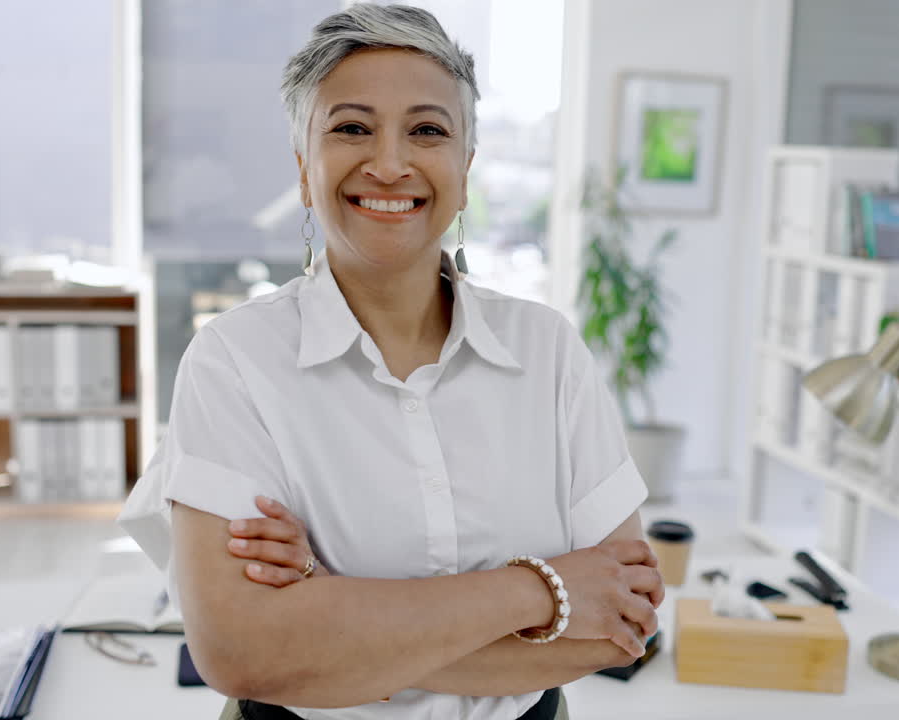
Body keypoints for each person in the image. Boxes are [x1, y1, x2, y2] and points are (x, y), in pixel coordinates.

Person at [118, 5, 664, 719]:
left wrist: (327, 617)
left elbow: (623, 625)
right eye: (350, 127)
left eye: (428, 130)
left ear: (465, 171)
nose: (389, 162)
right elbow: (240, 655)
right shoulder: (233, 361)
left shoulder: (548, 351)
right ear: (303, 169)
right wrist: (544, 592)